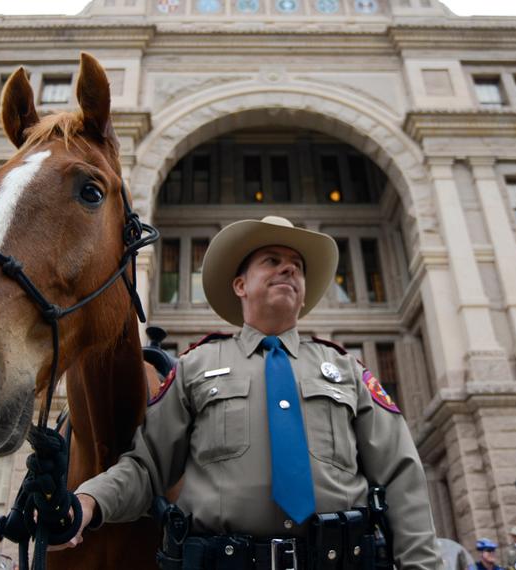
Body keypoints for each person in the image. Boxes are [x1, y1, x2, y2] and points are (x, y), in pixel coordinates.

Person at [63, 216, 443, 570]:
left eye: (296, 265)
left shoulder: (347, 370)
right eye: (272, 260)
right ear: (240, 285)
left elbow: (400, 474)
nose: (289, 268)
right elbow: (147, 469)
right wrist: (88, 501)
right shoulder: (194, 368)